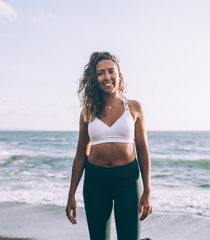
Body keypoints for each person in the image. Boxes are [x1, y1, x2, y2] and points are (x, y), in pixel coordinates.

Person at [65, 51, 152, 240]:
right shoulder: (88, 112)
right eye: (100, 73)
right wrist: (71, 193)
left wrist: (147, 190)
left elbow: (143, 150)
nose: (107, 77)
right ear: (94, 79)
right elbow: (81, 154)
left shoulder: (134, 107)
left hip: (128, 181)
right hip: (95, 182)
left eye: (111, 71)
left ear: (119, 75)